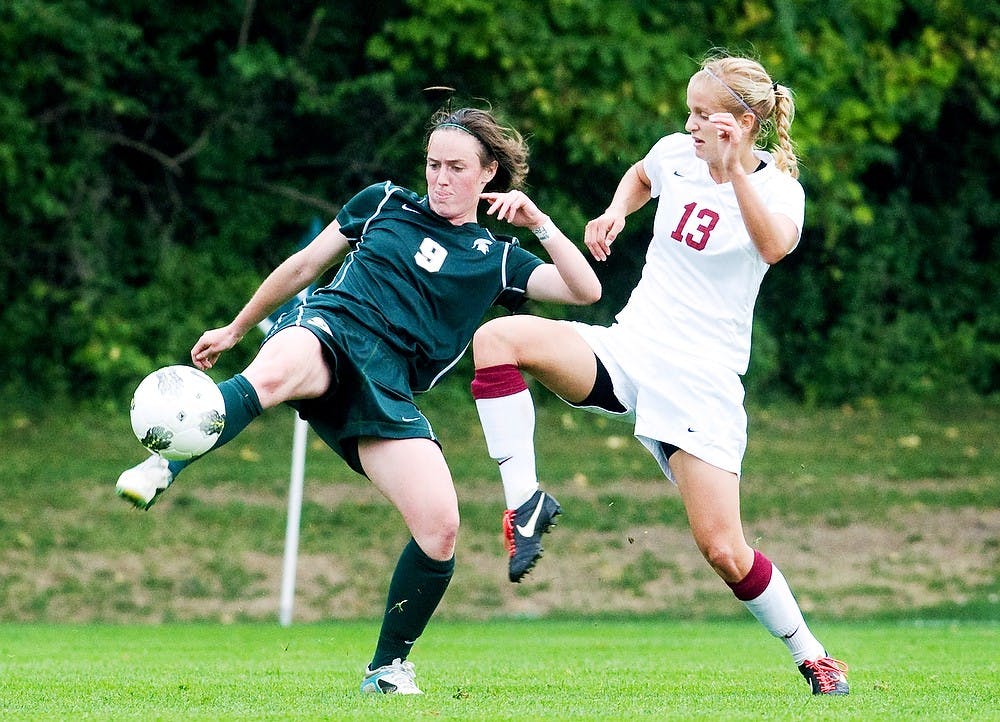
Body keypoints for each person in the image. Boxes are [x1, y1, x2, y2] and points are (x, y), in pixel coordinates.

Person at [115, 106, 601, 695]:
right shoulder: (385, 202)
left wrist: (540, 222)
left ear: (488, 173)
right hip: (331, 329)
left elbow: (584, 290)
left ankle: (387, 669)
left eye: (456, 167)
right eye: (433, 165)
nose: (440, 178)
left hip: (387, 386)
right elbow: (304, 265)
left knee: (441, 527)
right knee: (274, 375)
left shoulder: (495, 258)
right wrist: (237, 328)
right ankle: (167, 459)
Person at [469, 54, 850, 695]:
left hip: (702, 381)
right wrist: (617, 210)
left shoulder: (780, 188)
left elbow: (774, 247)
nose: (691, 123)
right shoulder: (676, 150)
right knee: (498, 338)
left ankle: (812, 655)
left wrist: (733, 178)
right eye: (691, 110)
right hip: (632, 348)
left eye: (704, 114)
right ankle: (524, 503)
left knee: (724, 551)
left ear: (743, 123)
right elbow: (644, 176)